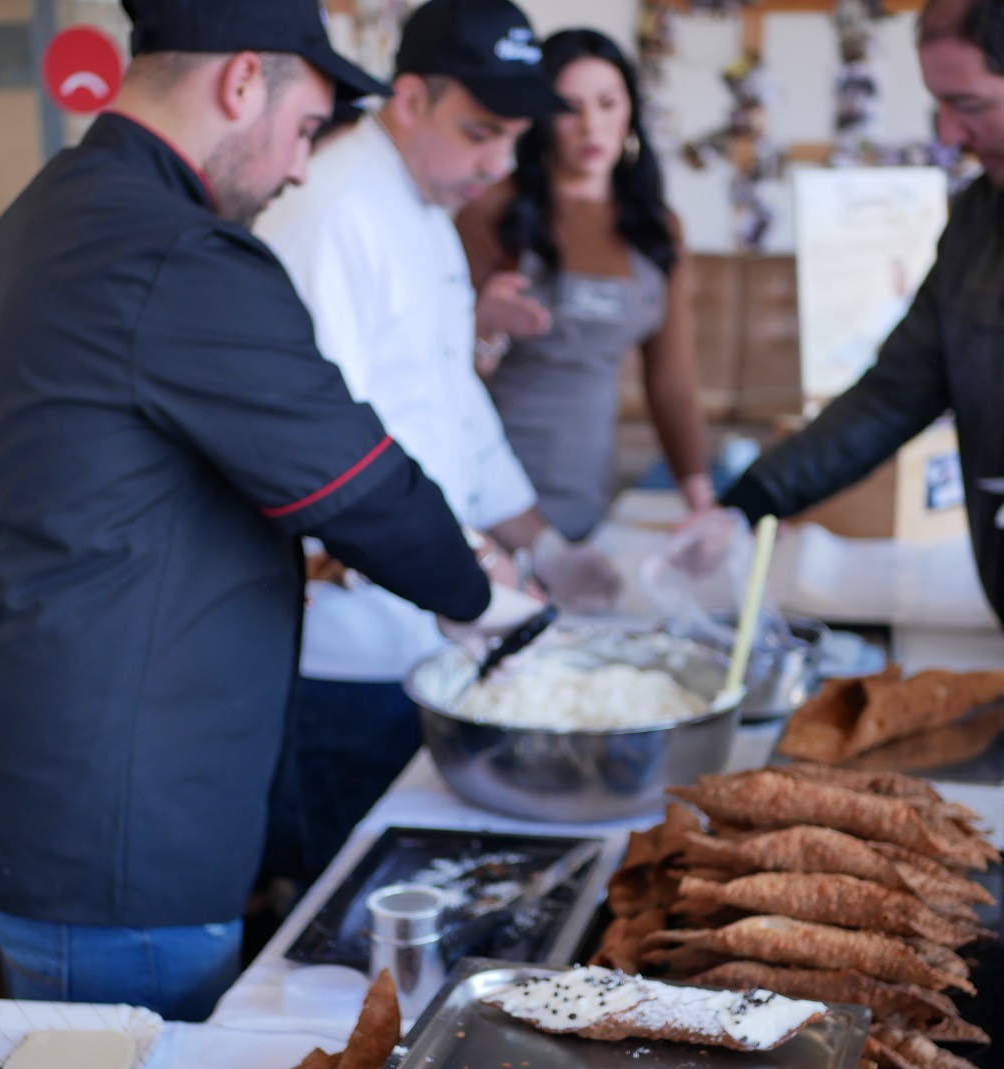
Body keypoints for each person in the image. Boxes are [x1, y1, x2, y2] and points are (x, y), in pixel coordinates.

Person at [0, 0, 537, 1021]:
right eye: (307, 129)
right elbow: (352, 476)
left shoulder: (45, 213)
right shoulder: (178, 255)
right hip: (114, 832)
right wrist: (480, 597)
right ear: (242, 83)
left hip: (34, 792)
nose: (299, 168)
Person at [257, 0, 623, 888]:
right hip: (343, 653)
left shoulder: (422, 208)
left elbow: (456, 408)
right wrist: (468, 568)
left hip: (426, 629)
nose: (497, 164)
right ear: (410, 97)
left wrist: (543, 542)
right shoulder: (334, 211)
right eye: (479, 133)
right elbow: (316, 455)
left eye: (512, 139)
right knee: (348, 928)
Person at [718, 0, 1004, 627]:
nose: (950, 135)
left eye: (972, 105)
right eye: (941, 106)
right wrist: (746, 503)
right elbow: (890, 397)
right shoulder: (977, 222)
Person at [456, 28, 714, 542]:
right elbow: (445, 376)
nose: (591, 125)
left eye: (607, 103)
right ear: (542, 119)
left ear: (630, 114)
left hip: (589, 501)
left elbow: (671, 380)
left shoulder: (659, 230)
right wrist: (482, 331)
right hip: (491, 499)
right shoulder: (492, 213)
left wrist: (703, 505)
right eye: (569, 107)